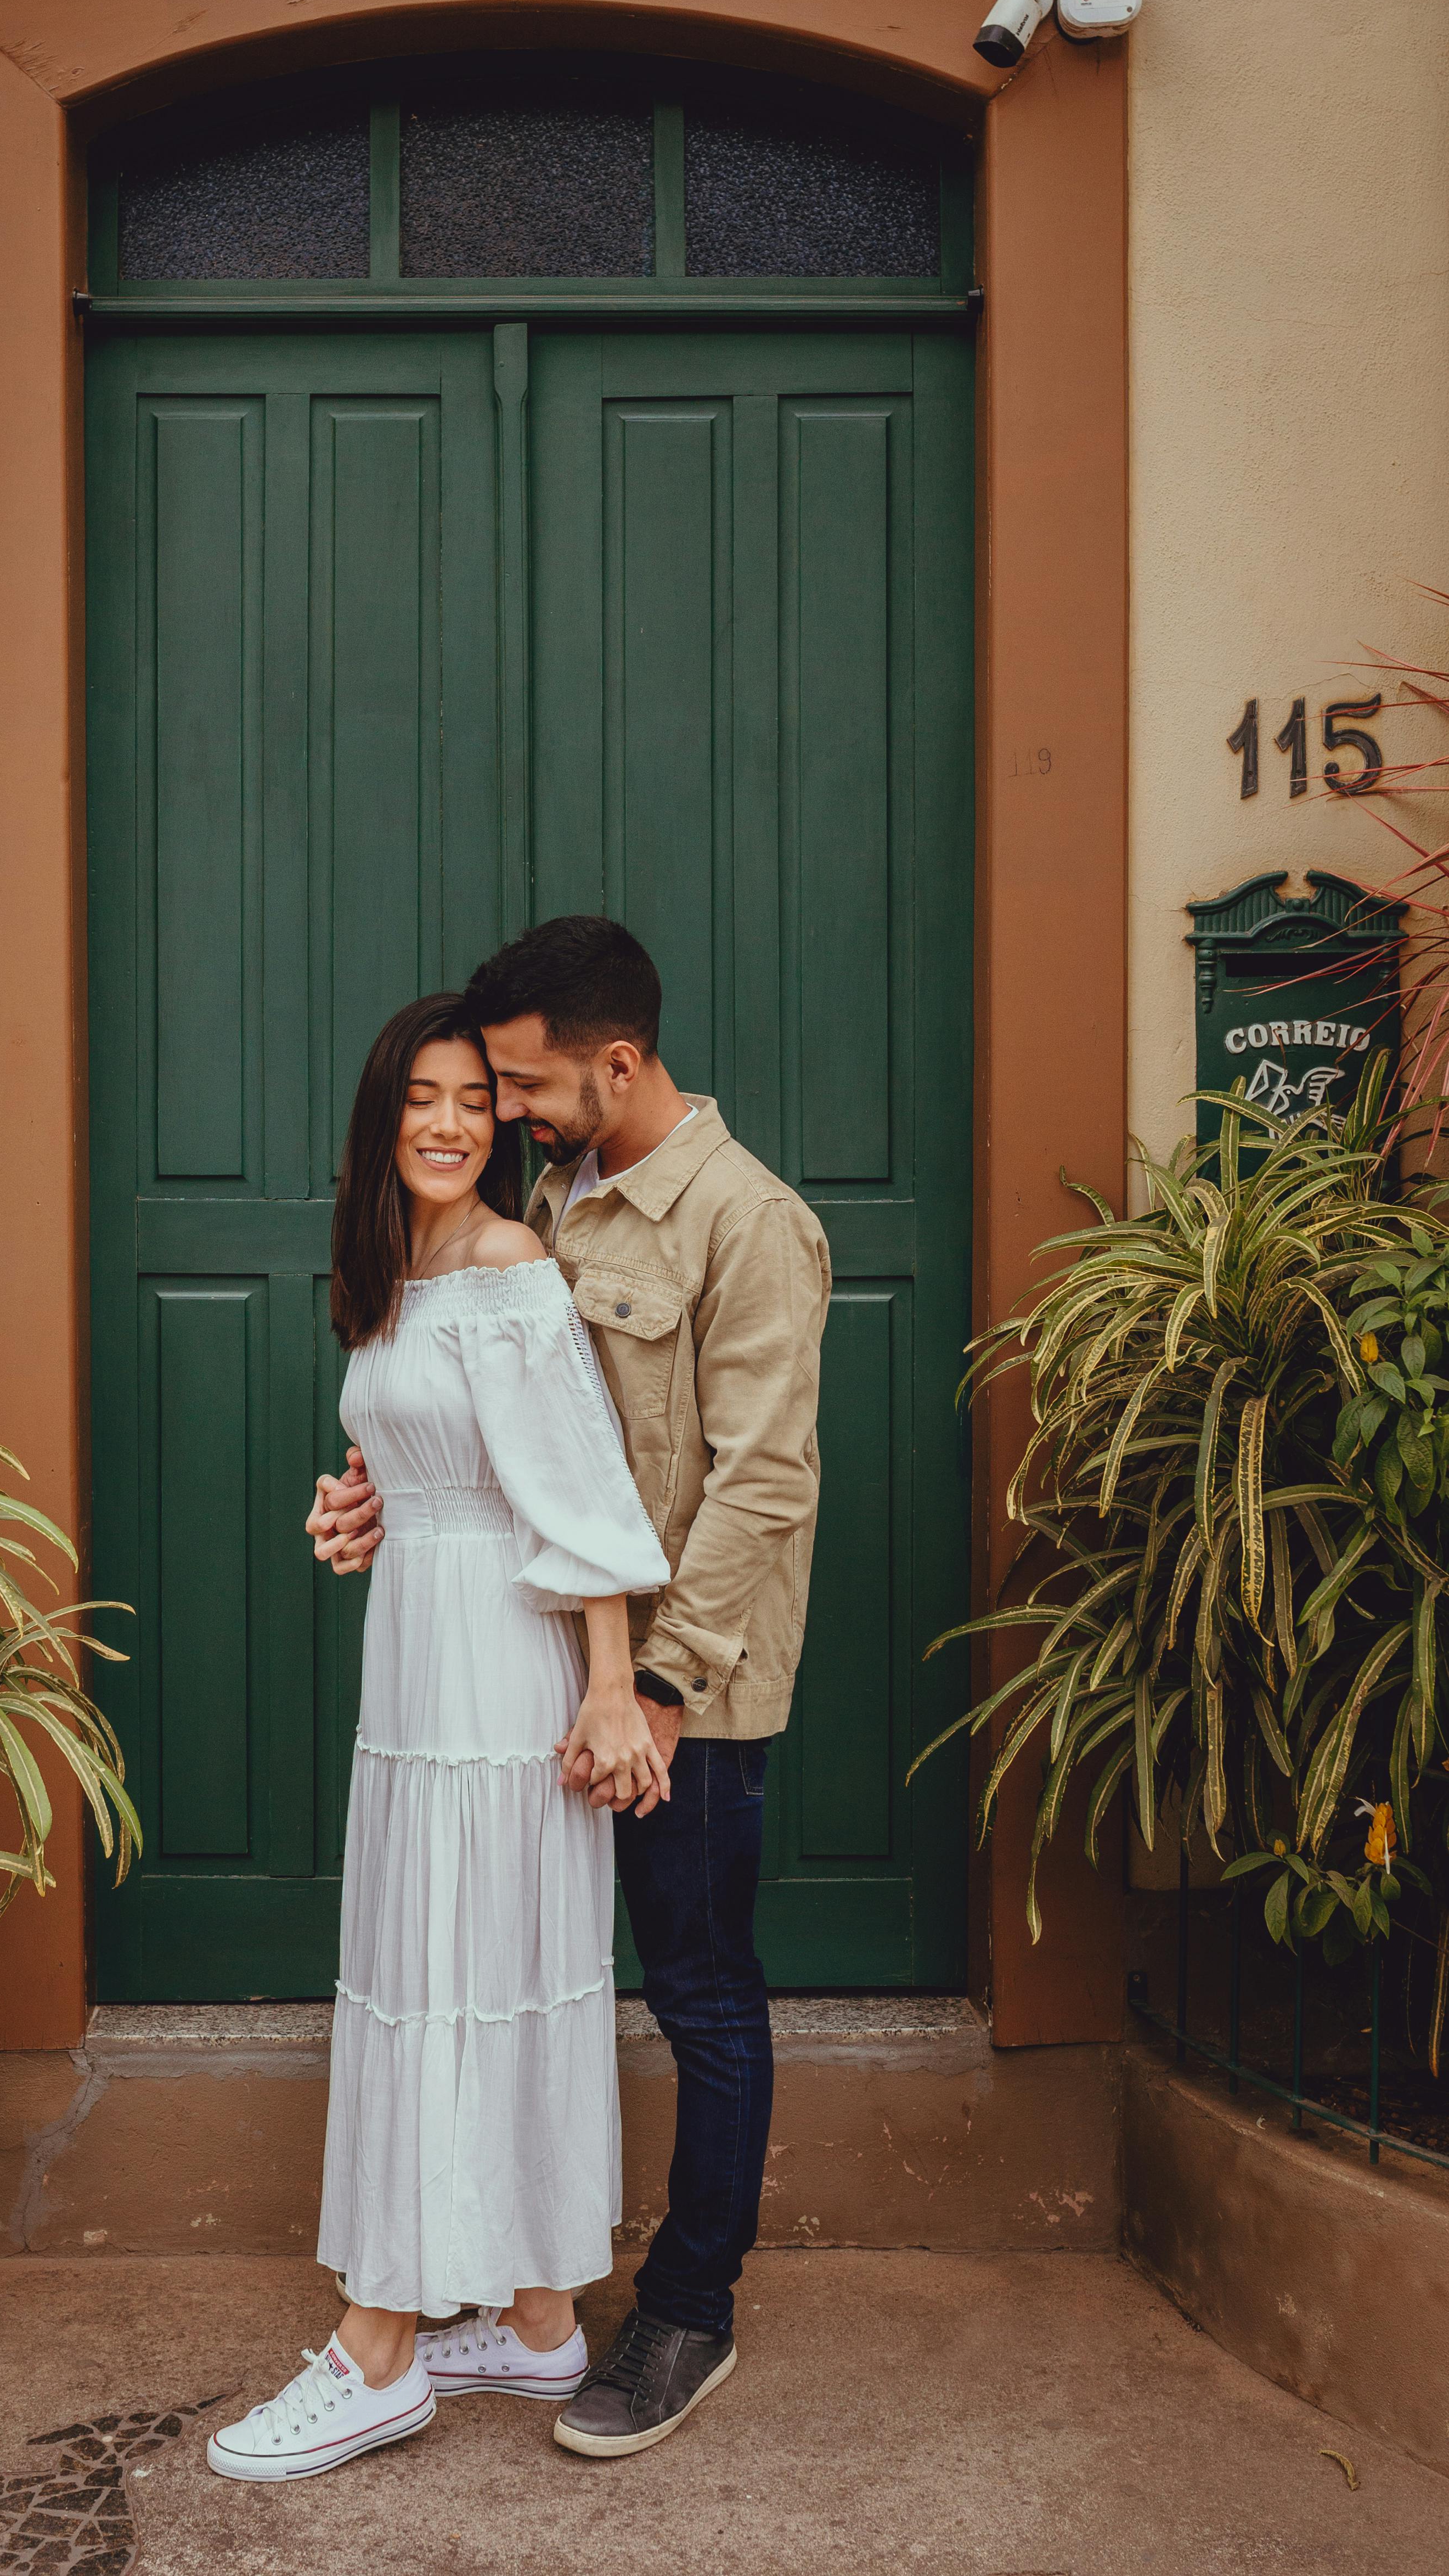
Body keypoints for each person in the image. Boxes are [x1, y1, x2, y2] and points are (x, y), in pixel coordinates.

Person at [313, 918, 830, 2460]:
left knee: (699, 1988)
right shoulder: (556, 1195)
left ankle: (686, 2305)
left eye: (528, 1083)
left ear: (617, 1061)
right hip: (544, 1667)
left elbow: (763, 1482)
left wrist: (655, 1687)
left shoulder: (751, 1223)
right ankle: (531, 2310)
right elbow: (521, 1438)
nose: (507, 1109)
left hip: (689, 1682)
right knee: (528, 1970)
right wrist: (387, 1493)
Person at [206, 991, 672, 2485]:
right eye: (424, 1094)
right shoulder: (393, 1270)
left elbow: (580, 1490)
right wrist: (366, 1508)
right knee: (456, 1968)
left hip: (502, 1670)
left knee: (458, 1973)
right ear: (384, 1112)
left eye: (476, 1096)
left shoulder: (513, 1263)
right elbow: (432, 1457)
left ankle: (379, 2347)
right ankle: (538, 2318)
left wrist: (609, 1687)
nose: (453, 1120)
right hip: (418, 1652)